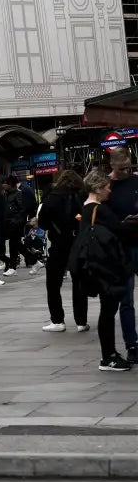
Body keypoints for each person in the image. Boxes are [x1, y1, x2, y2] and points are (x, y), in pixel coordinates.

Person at [69, 170, 133, 371]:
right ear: (97, 188)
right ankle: (109, 357)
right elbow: (118, 231)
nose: (109, 190)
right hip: (106, 265)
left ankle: (110, 354)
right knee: (108, 310)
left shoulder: (86, 208)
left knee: (108, 309)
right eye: (106, 187)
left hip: (95, 265)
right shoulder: (100, 209)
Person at [104, 147, 138, 364]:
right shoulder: (107, 186)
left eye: (129, 166)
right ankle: (132, 344)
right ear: (112, 165)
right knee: (126, 299)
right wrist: (120, 224)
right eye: (122, 168)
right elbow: (102, 217)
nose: (127, 170)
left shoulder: (136, 181)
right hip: (122, 247)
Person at [1, 177, 28, 274]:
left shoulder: (18, 193)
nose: (3, 185)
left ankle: (13, 267)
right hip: (10, 223)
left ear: (10, 184)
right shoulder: (6, 194)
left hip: (15, 223)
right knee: (16, 244)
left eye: (5, 183)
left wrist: (16, 221)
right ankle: (33, 260)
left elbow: (22, 209)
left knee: (14, 244)